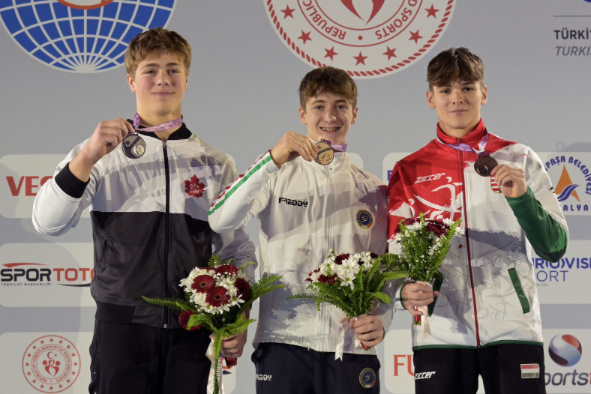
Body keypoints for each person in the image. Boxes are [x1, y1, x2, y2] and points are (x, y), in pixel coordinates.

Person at [32, 27, 255, 394]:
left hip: (191, 332)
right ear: (131, 81)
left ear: (187, 79)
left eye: (173, 69)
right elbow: (47, 223)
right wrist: (87, 157)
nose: (162, 79)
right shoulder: (100, 152)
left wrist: (237, 319)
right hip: (123, 330)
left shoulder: (215, 162)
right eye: (150, 70)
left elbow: (236, 251)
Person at [388, 47, 569, 394]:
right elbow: (396, 252)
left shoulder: (520, 158)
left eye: (467, 87)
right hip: (439, 332)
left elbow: (555, 247)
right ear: (430, 98)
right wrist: (404, 291)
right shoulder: (409, 170)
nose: (457, 99)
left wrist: (522, 199)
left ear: (483, 92)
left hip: (513, 328)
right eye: (445, 90)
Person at [208, 66, 392, 393]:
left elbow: (386, 271)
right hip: (283, 343)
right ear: (302, 113)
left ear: (355, 113)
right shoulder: (276, 173)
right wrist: (273, 159)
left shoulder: (373, 190)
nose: (329, 116)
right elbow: (220, 219)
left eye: (340, 106)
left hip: (349, 348)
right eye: (319, 105)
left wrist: (384, 321)